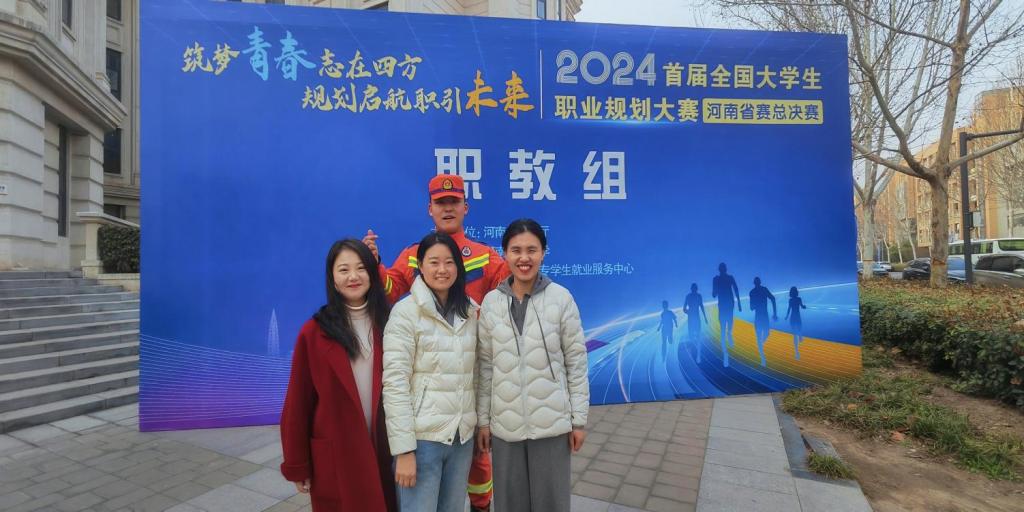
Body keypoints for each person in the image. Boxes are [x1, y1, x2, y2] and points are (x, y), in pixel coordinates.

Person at [364, 173, 506, 511]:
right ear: (430, 209)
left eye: (454, 202)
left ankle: (482, 505)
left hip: (469, 383)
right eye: (440, 203)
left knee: (479, 461)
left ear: (465, 207)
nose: (447, 208)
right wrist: (373, 264)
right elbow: (389, 290)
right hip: (429, 400)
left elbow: (511, 290)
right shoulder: (413, 255)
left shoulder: (485, 256)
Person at [475, 219, 590, 512]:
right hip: (505, 427)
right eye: (516, 250)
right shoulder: (491, 303)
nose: (524, 258)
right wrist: (484, 421)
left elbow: (576, 362)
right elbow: (485, 366)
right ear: (504, 254)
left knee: (551, 504)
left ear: (543, 252)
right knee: (510, 504)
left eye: (531, 250)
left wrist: (578, 420)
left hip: (552, 426)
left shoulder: (561, 299)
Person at [280, 239, 398, 512]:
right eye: (343, 269)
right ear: (332, 278)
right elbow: (298, 402)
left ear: (372, 274)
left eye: (361, 268)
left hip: (385, 448)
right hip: (337, 453)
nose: (353, 276)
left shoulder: (392, 324)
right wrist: (297, 464)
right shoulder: (313, 333)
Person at [382, 233, 479, 512]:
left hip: (461, 439)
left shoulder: (470, 312)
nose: (442, 269)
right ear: (420, 267)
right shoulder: (405, 313)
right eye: (434, 262)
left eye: (449, 262)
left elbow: (476, 374)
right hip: (422, 442)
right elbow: (395, 382)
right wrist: (403, 450)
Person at [711, 263, 741, 367]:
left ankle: (726, 341)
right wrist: (739, 303)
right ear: (725, 269)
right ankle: (727, 338)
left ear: (719, 269)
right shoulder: (726, 278)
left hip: (725, 304)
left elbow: (714, 294)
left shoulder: (718, 279)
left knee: (725, 323)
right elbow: (736, 290)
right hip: (727, 303)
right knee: (728, 322)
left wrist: (739, 302)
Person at [748, 277, 778, 367]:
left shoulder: (752, 292)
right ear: (760, 282)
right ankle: (762, 357)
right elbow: (773, 299)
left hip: (759, 317)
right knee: (765, 334)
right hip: (764, 316)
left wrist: (757, 304)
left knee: (761, 336)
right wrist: (774, 313)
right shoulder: (763, 290)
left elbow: (751, 308)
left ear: (754, 283)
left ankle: (761, 355)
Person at [683, 283, 709, 363]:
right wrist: (689, 312)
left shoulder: (694, 296)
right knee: (694, 334)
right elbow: (684, 309)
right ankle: (695, 352)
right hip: (693, 318)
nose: (695, 289)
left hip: (694, 318)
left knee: (696, 334)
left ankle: (696, 352)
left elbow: (701, 306)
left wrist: (705, 317)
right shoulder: (693, 296)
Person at [785, 287, 807, 360]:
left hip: (792, 317)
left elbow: (789, 309)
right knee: (799, 330)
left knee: (794, 334)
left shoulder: (790, 300)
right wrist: (804, 307)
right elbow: (802, 306)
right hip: (797, 317)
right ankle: (800, 336)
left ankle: (797, 352)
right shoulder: (799, 299)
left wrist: (786, 316)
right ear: (796, 292)